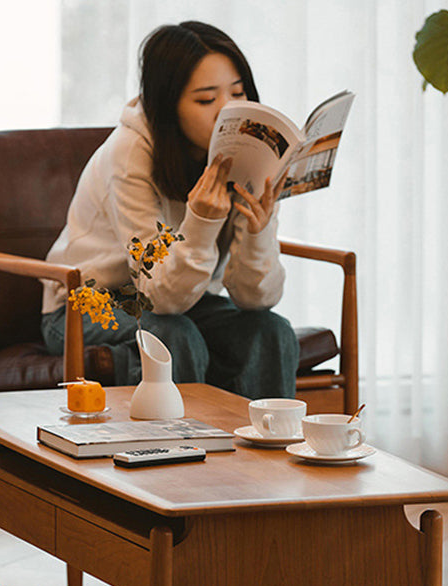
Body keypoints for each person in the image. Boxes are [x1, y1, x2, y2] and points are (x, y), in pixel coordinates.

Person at [40, 20, 299, 399]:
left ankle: (263, 438)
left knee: (271, 331)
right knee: (172, 335)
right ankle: (180, 438)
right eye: (206, 100)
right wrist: (203, 222)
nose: (227, 111)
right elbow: (158, 297)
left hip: (182, 302)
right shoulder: (129, 154)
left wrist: (258, 233)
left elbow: (255, 299)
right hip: (86, 305)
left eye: (238, 93)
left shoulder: (243, 155)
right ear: (168, 105)